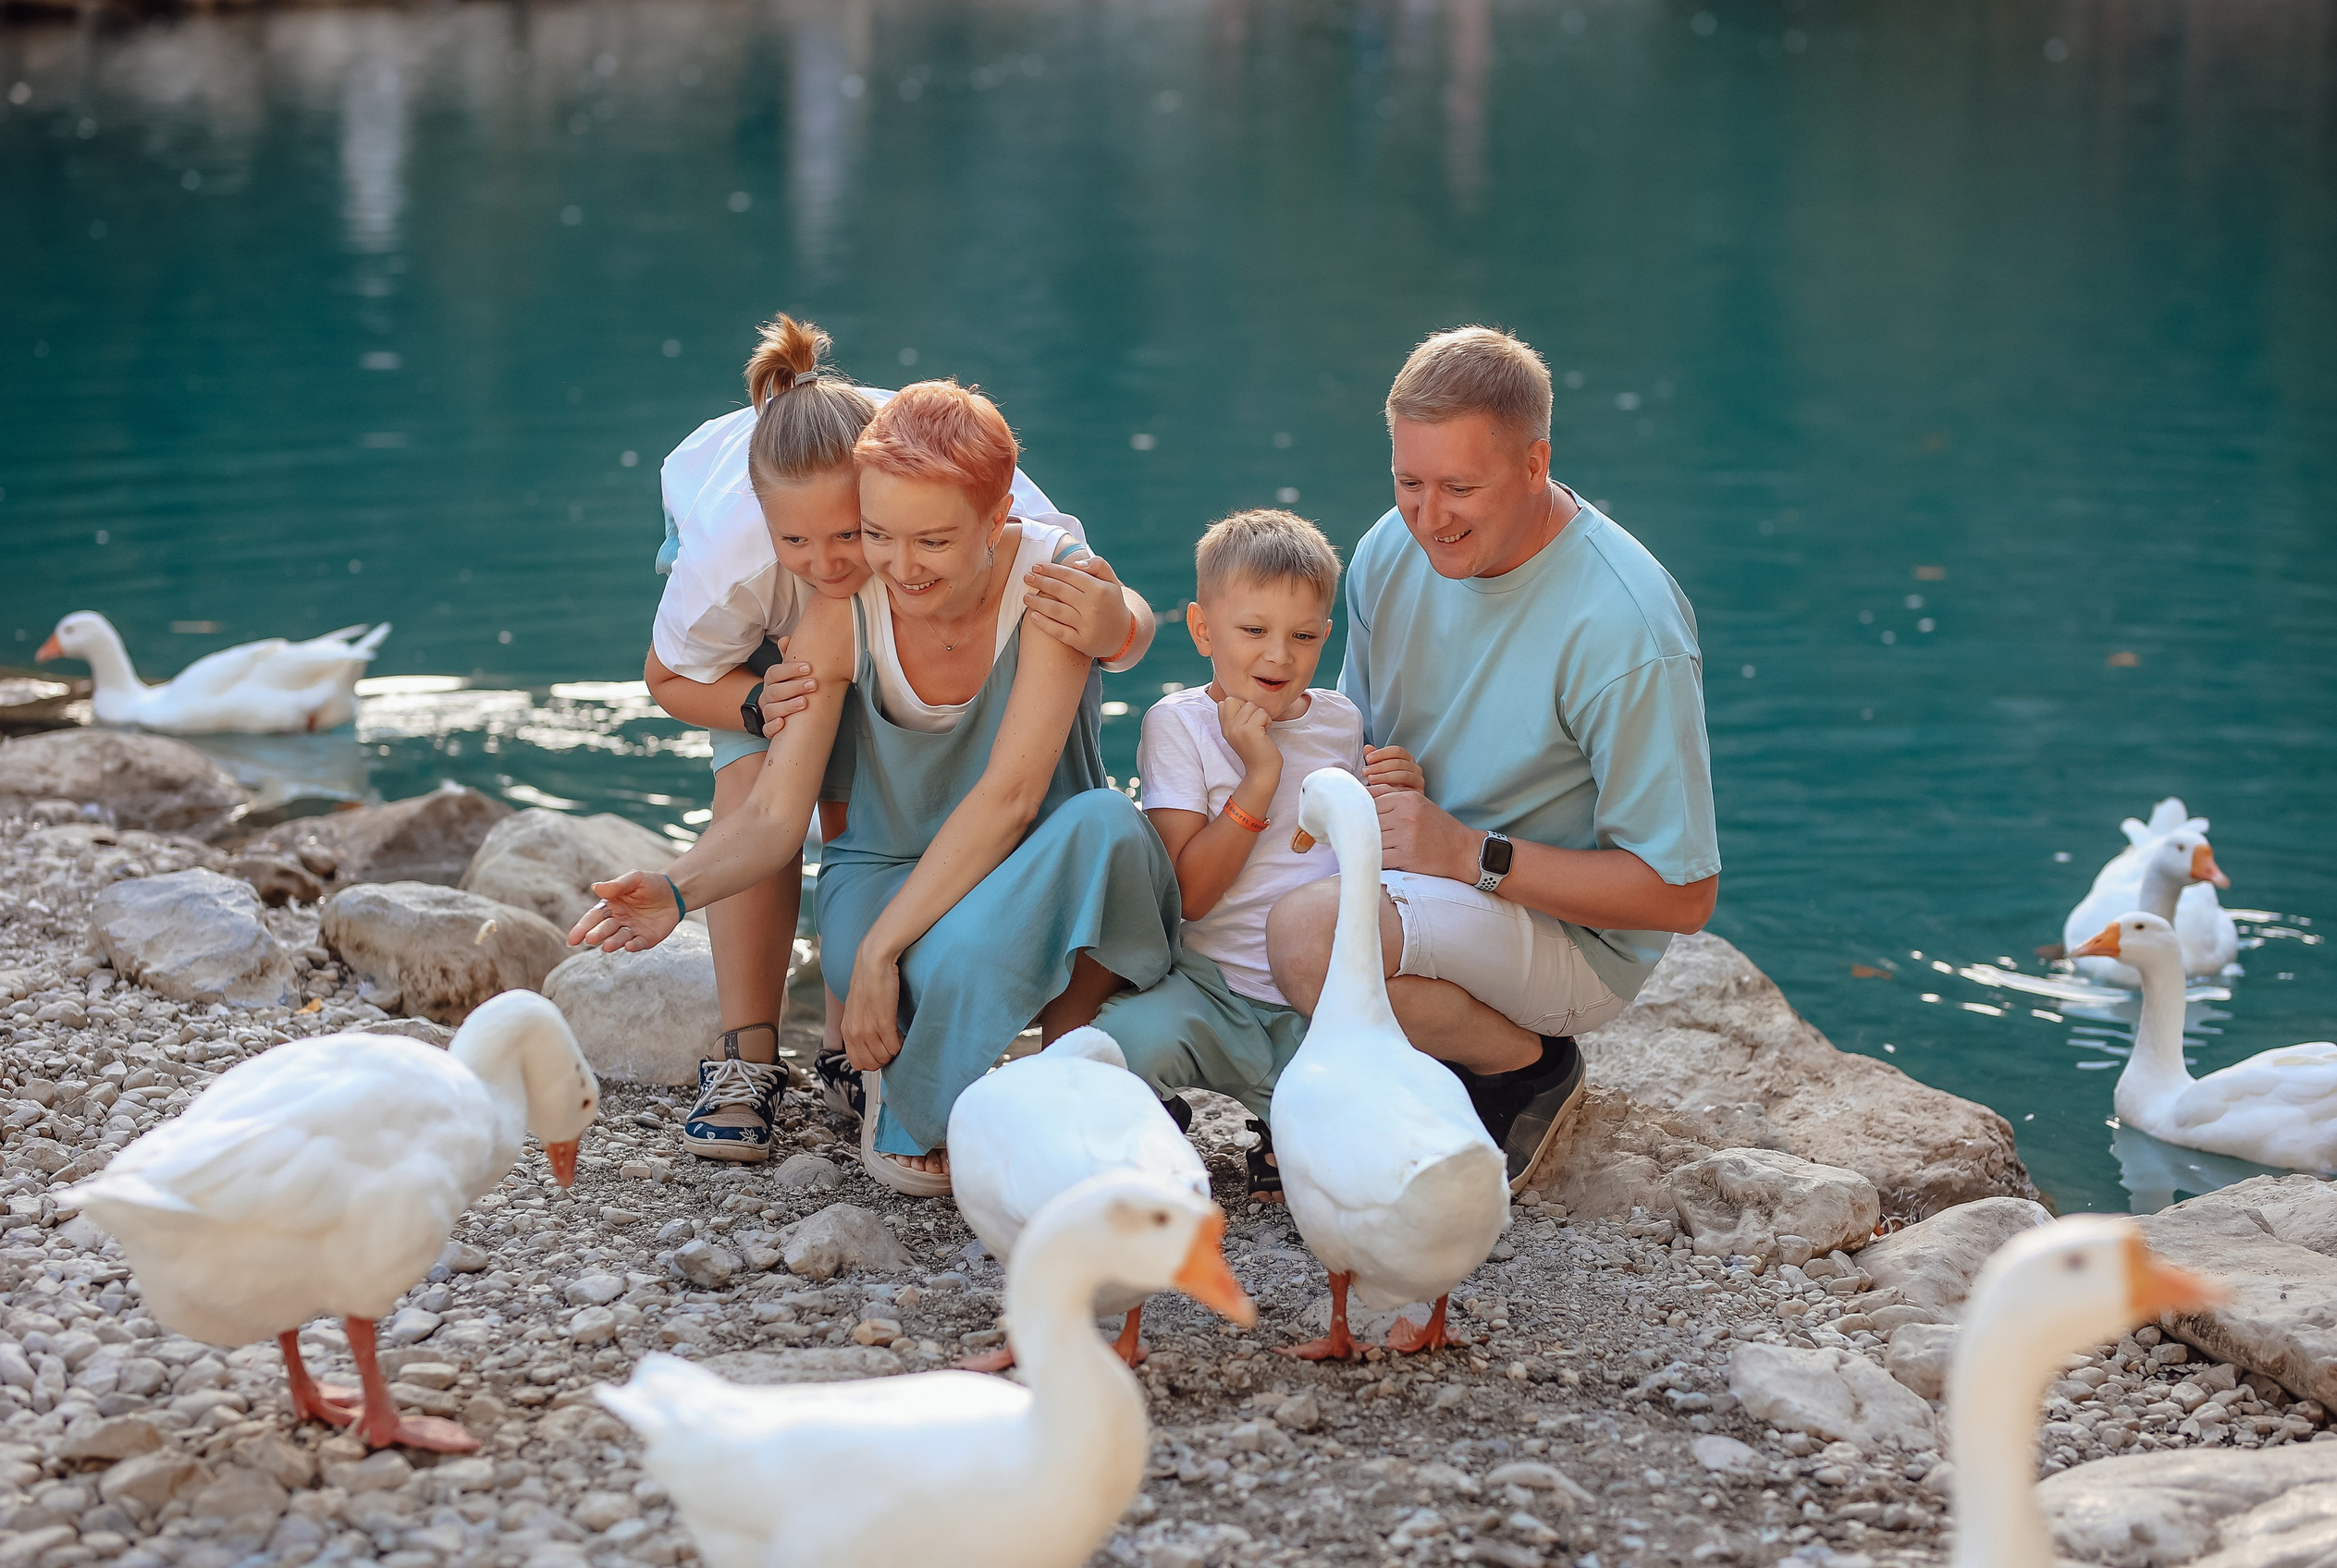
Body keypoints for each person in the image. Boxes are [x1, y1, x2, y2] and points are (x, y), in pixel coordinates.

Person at [574, 379, 1179, 1196]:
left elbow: (1011, 797)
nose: (897, 565)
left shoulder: (1053, 586)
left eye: (930, 541)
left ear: (997, 517)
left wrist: (885, 953)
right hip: (888, 876)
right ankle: (917, 1099)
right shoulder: (838, 609)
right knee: (948, 947)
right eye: (881, 535)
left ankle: (1062, 1068)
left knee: (1109, 824)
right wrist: (676, 890)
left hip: (1028, 875)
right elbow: (775, 814)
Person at [1266, 325, 1721, 1194]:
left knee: (1303, 937)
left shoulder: (1626, 627)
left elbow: (1682, 895)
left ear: (1535, 461)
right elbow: (1356, 736)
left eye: (1459, 488)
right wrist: (1375, 779)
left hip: (1567, 938)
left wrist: (1468, 853)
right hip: (1420, 877)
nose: (1428, 517)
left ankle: (1525, 1067)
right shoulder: (1387, 552)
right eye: (1408, 481)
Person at [1093, 510, 1400, 1200]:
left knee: (1360, 1157)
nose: (1278, 657)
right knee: (1111, 1050)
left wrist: (1391, 793)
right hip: (1209, 989)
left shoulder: (1340, 721)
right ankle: (1158, 1119)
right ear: (1204, 629)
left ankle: (1278, 1133)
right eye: (1253, 630)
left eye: (1303, 636)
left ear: (1327, 634)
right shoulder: (1180, 726)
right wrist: (1258, 776)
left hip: (1312, 1004)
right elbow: (1191, 894)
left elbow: (1349, 851)